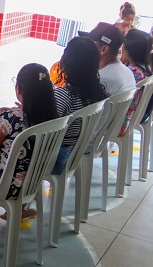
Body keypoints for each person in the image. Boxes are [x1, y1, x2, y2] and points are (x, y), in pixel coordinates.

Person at [0, 64, 58, 224]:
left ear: (19, 89)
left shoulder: (11, 117)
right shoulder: (54, 119)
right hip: (31, 184)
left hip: (1, 185)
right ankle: (19, 209)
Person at [51, 36, 109, 174]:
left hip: (56, 158)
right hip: (76, 153)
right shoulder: (98, 93)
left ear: (66, 62)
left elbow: (45, 127)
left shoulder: (64, 95)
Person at [79, 22, 136, 97]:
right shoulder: (128, 73)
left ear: (104, 49)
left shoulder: (100, 79)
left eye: (91, 43)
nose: (87, 46)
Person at [119, 29, 152, 136]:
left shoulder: (132, 73)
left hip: (120, 124)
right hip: (134, 118)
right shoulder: (145, 69)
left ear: (128, 50)